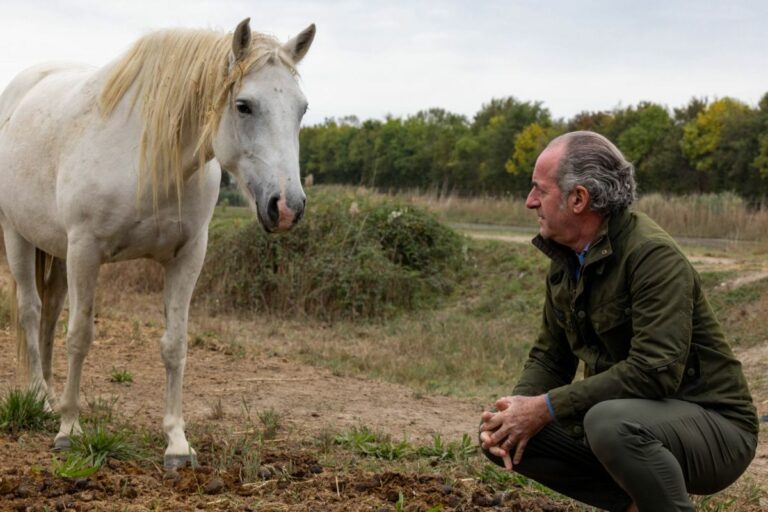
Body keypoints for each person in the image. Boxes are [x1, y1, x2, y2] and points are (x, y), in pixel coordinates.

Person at [479, 131, 758, 512]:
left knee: (609, 422)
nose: (530, 202)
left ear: (578, 199)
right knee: (503, 433)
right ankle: (636, 504)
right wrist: (515, 413)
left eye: (538, 190)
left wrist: (545, 407)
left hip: (716, 428)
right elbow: (550, 357)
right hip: (629, 417)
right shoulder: (566, 259)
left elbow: (654, 371)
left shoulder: (652, 256)